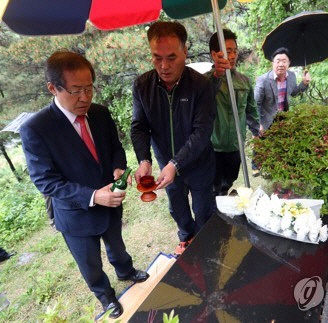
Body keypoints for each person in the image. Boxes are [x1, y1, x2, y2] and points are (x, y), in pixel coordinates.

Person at [20, 50, 149, 319]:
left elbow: (115, 148)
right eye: (76, 90)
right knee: (89, 262)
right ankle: (106, 296)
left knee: (117, 243)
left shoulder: (100, 113)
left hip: (110, 201)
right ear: (53, 88)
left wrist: (118, 167)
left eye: (89, 88)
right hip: (76, 211)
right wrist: (92, 196)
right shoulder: (36, 128)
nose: (85, 98)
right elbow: (46, 181)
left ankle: (125, 270)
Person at [131, 21, 216, 256]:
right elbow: (139, 126)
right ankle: (186, 239)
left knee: (203, 209)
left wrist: (176, 163)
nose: (164, 66)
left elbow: (202, 131)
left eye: (171, 57)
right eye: (157, 58)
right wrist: (144, 160)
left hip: (198, 163)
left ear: (185, 52)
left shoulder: (200, 85)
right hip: (165, 164)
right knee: (177, 208)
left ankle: (206, 243)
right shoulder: (142, 85)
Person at [205, 29, 261, 196]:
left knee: (228, 181)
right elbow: (200, 103)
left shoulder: (244, 81)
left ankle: (224, 199)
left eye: (235, 51)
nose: (233, 55)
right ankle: (214, 213)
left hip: (236, 145)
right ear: (215, 54)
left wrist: (258, 131)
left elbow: (251, 111)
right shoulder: (204, 81)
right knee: (212, 186)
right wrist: (218, 76)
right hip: (212, 146)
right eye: (228, 51)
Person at [253, 47, 311, 175]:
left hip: (283, 116)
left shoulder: (291, 77)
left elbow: (294, 93)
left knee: (280, 146)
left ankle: (277, 167)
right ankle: (255, 166)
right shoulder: (263, 80)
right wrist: (259, 124)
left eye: (284, 61)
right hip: (266, 116)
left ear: (289, 63)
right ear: (272, 63)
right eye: (278, 61)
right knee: (261, 143)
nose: (281, 64)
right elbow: (255, 103)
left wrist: (304, 84)